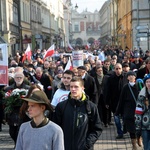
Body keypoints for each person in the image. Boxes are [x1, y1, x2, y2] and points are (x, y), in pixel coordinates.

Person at [53, 77, 102, 150]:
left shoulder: (91, 107)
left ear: (82, 88)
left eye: (76, 87)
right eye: (71, 87)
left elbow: (97, 129)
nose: (73, 89)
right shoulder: (61, 106)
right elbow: (55, 128)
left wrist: (87, 144)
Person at [115, 71, 139, 149]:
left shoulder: (139, 85)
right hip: (128, 110)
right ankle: (134, 144)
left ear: (135, 77)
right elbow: (121, 100)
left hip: (138, 109)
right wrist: (118, 112)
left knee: (139, 126)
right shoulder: (125, 87)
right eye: (130, 76)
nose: (131, 77)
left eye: (133, 75)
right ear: (127, 77)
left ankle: (139, 138)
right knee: (131, 128)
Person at [135, 74, 150, 150]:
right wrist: (138, 127)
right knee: (146, 147)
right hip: (145, 126)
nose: (149, 83)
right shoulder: (141, 95)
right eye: (147, 82)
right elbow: (138, 112)